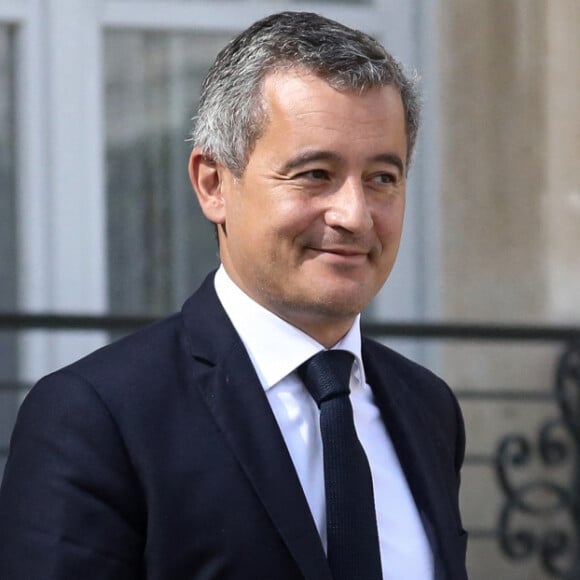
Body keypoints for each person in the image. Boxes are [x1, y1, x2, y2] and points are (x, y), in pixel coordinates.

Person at [0, 11, 467, 580]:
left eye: (382, 178)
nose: (354, 215)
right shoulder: (98, 418)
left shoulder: (428, 409)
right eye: (315, 173)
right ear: (213, 184)